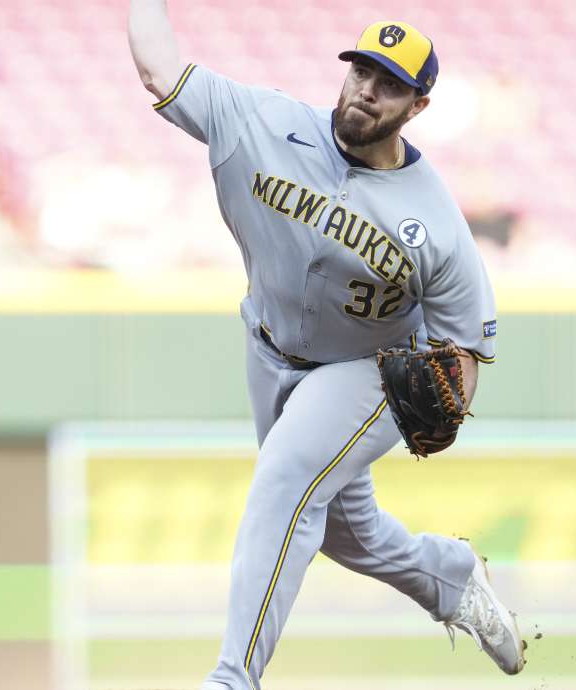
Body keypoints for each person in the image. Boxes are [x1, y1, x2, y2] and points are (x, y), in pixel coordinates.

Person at [127, 4, 524, 688]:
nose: (367, 89)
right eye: (362, 70)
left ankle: (233, 677)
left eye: (389, 83)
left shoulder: (434, 219)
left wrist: (445, 403)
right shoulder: (264, 123)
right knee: (347, 532)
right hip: (269, 347)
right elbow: (158, 67)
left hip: (366, 371)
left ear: (418, 105)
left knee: (284, 478)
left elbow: (463, 351)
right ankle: (449, 579)